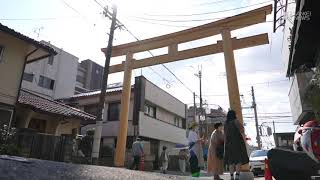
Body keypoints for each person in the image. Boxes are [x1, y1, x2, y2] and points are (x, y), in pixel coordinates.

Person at [224, 110, 249, 180]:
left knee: (230, 161)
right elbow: (242, 131)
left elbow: (225, 135)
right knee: (238, 160)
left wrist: (225, 145)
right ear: (234, 115)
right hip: (237, 143)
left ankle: (231, 176)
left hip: (228, 144)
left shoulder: (225, 124)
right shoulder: (236, 121)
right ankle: (237, 176)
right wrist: (245, 141)